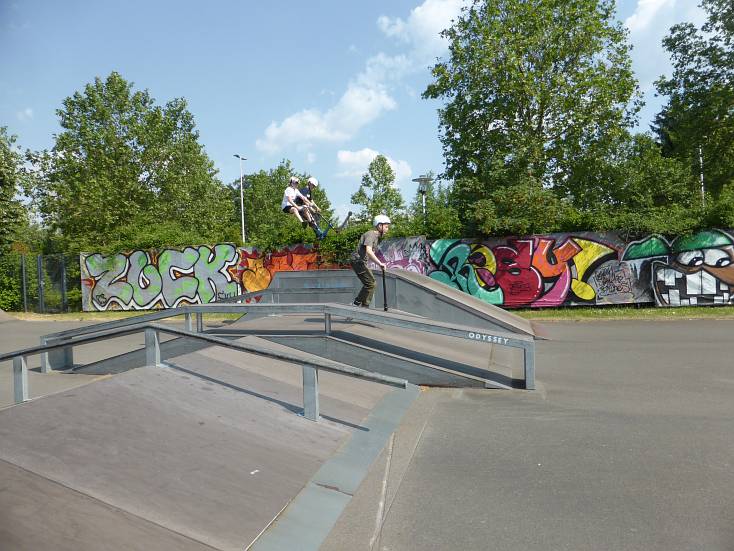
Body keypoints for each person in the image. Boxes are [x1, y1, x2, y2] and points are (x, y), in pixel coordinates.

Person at [350, 214, 390, 307]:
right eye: (386, 227)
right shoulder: (371, 234)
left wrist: (378, 264)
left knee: (370, 283)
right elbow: (369, 251)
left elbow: (370, 254)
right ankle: (358, 304)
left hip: (360, 262)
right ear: (379, 226)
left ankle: (363, 305)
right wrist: (380, 263)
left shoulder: (376, 237)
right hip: (357, 261)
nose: (388, 229)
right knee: (371, 283)